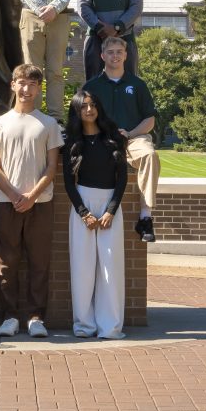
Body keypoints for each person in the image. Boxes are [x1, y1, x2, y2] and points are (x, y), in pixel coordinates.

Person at [0, 64, 63, 338]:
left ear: (38, 88)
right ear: (13, 85)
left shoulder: (49, 124)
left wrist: (32, 196)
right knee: (7, 262)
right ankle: (9, 317)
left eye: (32, 84)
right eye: (21, 83)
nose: (26, 88)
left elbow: (52, 169)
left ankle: (36, 317)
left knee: (39, 263)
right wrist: (16, 195)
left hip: (41, 203)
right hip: (7, 203)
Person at [64, 90, 128, 339]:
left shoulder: (114, 138)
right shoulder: (71, 142)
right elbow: (69, 182)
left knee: (110, 268)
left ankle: (110, 327)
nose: (89, 110)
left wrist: (111, 210)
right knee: (82, 268)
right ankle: (84, 325)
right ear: (77, 111)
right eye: (83, 106)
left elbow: (122, 178)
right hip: (83, 205)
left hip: (110, 205)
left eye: (92, 105)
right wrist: (84, 213)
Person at [82, 36, 159, 243]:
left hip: (134, 138)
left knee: (150, 155)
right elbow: (83, 117)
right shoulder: (92, 86)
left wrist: (131, 134)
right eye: (110, 52)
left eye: (119, 52)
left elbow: (150, 119)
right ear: (102, 55)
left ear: (125, 55)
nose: (115, 56)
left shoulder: (138, 84)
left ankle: (145, 217)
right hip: (102, 139)